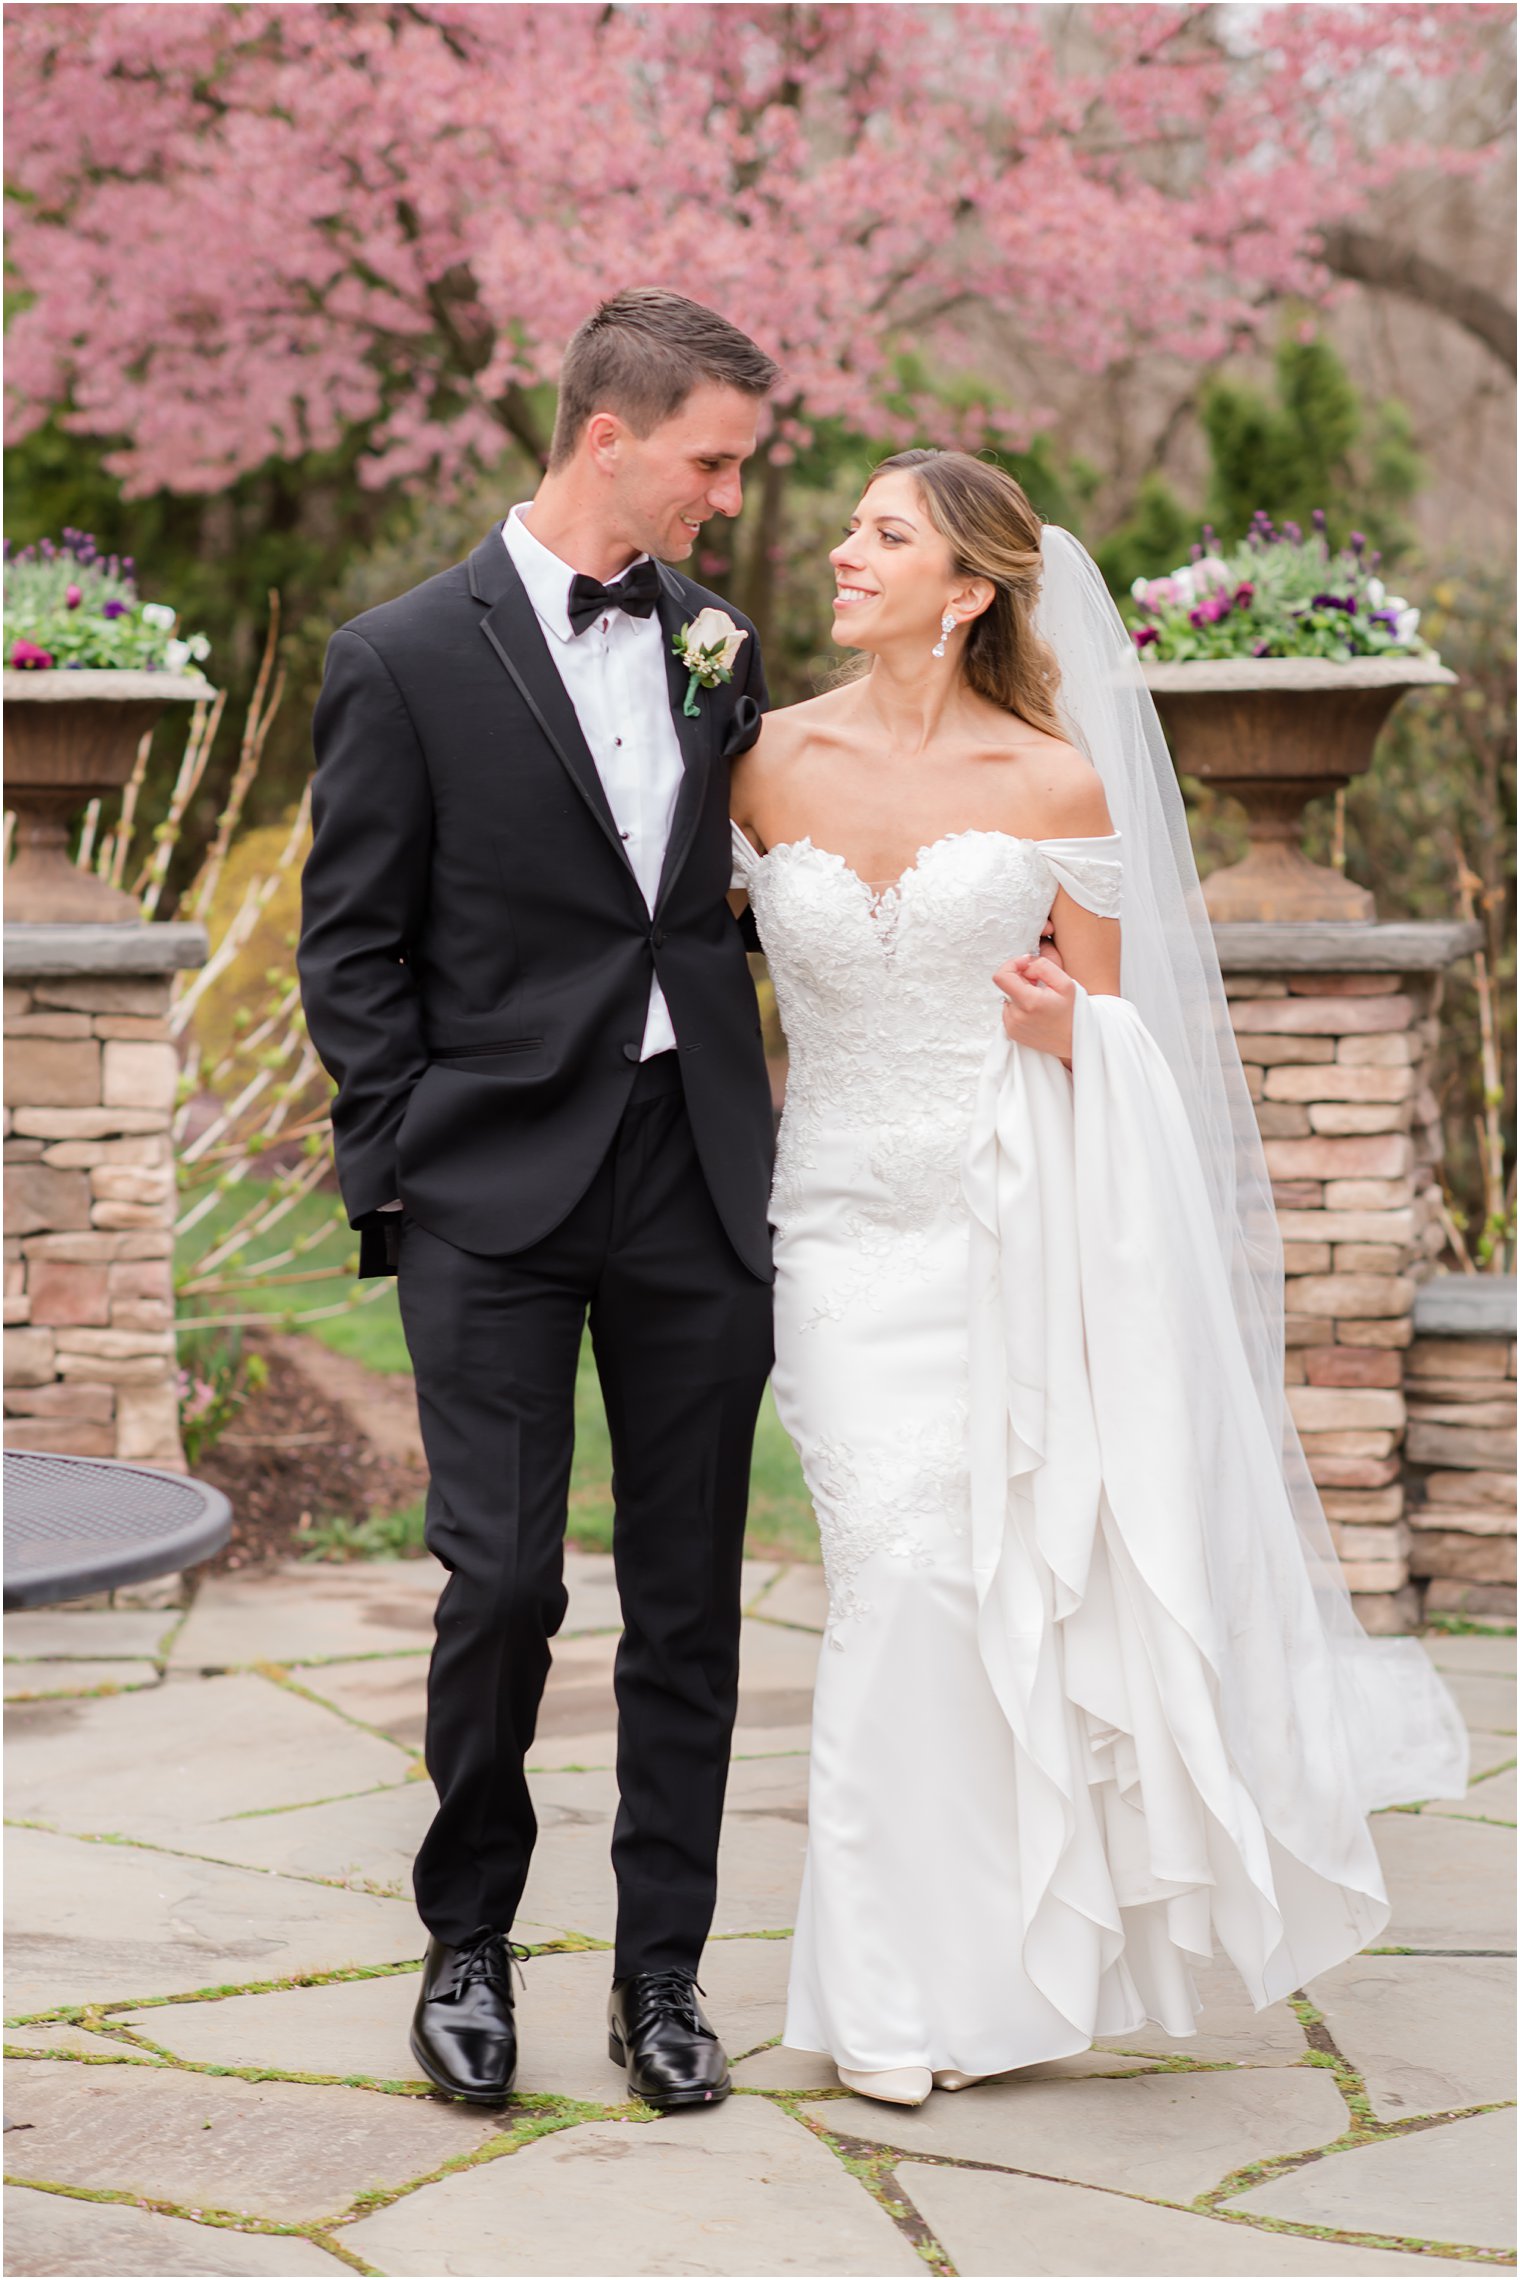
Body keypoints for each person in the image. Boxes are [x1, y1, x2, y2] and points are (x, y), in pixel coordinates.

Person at [729, 449, 1469, 2107]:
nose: (844, 552)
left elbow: (1121, 1036)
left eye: (882, 533)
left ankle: (988, 1984)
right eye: (853, 527)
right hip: (840, 1227)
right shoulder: (765, 765)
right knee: (896, 1578)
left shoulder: (1059, 781)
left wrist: (1076, 1029)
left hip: (1011, 1223)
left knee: (993, 1582)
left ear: (969, 588)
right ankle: (886, 1995)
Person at [299, 288, 781, 2111]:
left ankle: (664, 1976)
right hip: (491, 1186)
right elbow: (348, 945)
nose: (729, 499)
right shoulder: (403, 653)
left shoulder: (717, 641)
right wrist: (406, 1153)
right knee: (498, 1583)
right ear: (610, 437)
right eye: (712, 461)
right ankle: (471, 1941)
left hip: (693, 1183)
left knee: (689, 1599)